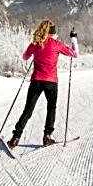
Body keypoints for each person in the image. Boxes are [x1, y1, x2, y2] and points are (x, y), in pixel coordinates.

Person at [7, 19, 79, 149]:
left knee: (28, 110)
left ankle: (15, 138)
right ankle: (47, 137)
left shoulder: (36, 43)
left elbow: (24, 57)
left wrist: (35, 53)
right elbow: (75, 54)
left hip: (36, 81)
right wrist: (73, 39)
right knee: (51, 108)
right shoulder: (56, 44)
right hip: (51, 82)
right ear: (53, 32)